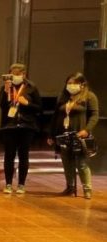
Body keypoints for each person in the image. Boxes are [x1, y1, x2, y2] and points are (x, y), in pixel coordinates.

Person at [48, 72, 99, 200]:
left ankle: (87, 189)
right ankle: (70, 187)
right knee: (67, 162)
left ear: (82, 84)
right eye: (69, 83)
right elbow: (55, 117)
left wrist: (87, 130)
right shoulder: (63, 97)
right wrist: (51, 135)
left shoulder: (89, 96)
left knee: (81, 163)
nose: (71, 85)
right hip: (63, 134)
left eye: (74, 83)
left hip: (80, 134)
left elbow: (94, 115)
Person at [0, 63, 41, 195]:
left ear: (23, 74)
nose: (15, 77)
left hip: (26, 126)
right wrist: (6, 93)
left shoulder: (31, 88)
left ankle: (21, 184)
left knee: (24, 156)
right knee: (9, 156)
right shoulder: (5, 88)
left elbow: (39, 109)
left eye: (17, 74)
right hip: (9, 126)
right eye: (13, 74)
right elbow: (2, 107)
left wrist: (27, 103)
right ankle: (8, 184)